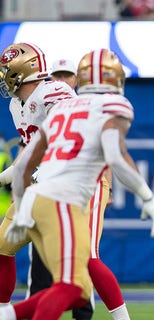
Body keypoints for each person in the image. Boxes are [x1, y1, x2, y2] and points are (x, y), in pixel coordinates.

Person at [0, 48, 154, 320]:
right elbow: (113, 154)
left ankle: (8, 314)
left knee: (74, 279)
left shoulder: (59, 98)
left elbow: (35, 152)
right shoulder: (99, 105)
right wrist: (147, 196)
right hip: (67, 184)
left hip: (49, 186)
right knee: (74, 283)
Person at [0, 42, 76, 308]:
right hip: (40, 186)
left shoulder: (53, 92)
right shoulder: (16, 106)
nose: (2, 77)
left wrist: (45, 171)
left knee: (79, 266)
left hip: (66, 183)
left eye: (6, 71)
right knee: (2, 247)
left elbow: (69, 137)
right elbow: (31, 154)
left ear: (19, 71)